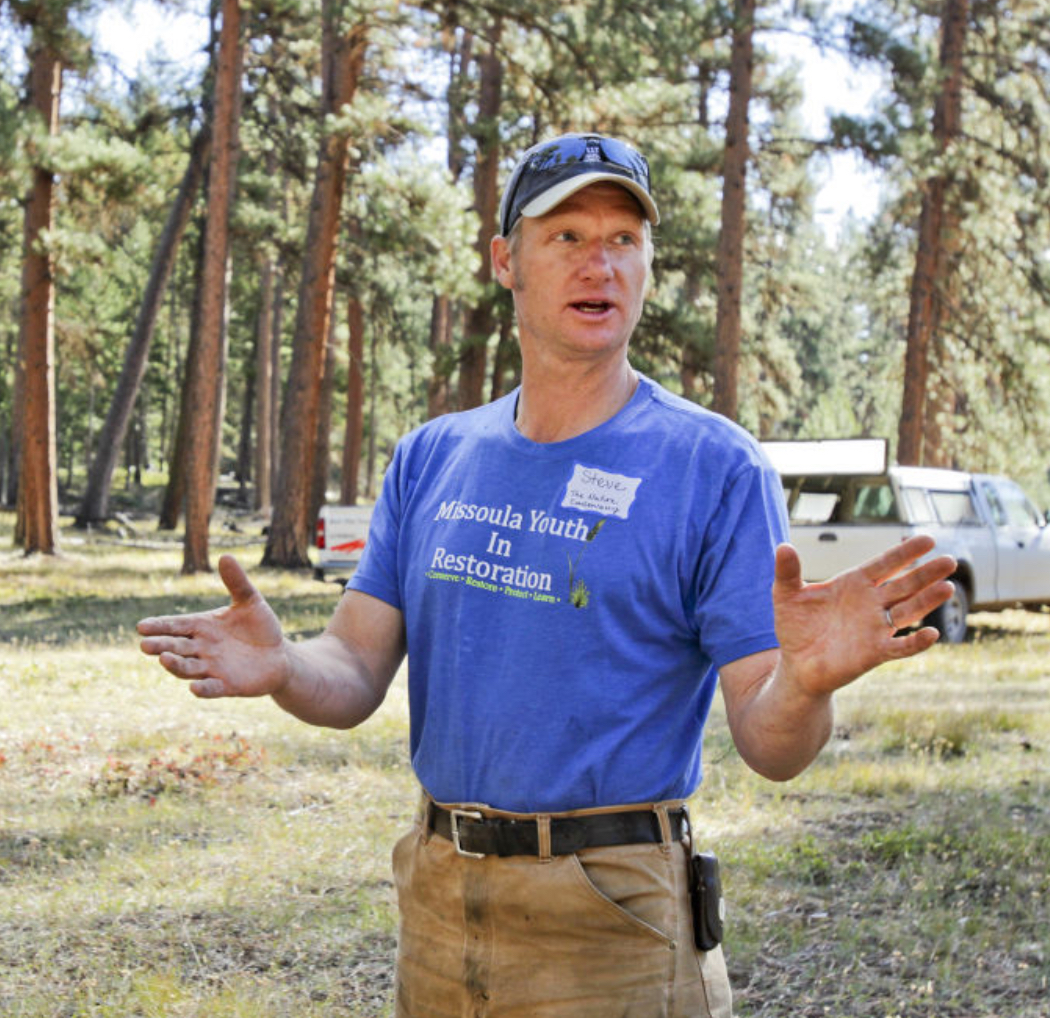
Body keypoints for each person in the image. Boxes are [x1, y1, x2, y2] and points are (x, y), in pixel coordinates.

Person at [137, 134, 957, 1016]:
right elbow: (351, 673)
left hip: (612, 917)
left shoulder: (712, 466)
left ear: (647, 266)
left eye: (622, 240)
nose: (597, 264)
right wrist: (284, 668)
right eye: (565, 236)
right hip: (439, 898)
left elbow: (772, 745)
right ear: (505, 261)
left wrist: (802, 684)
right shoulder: (431, 458)